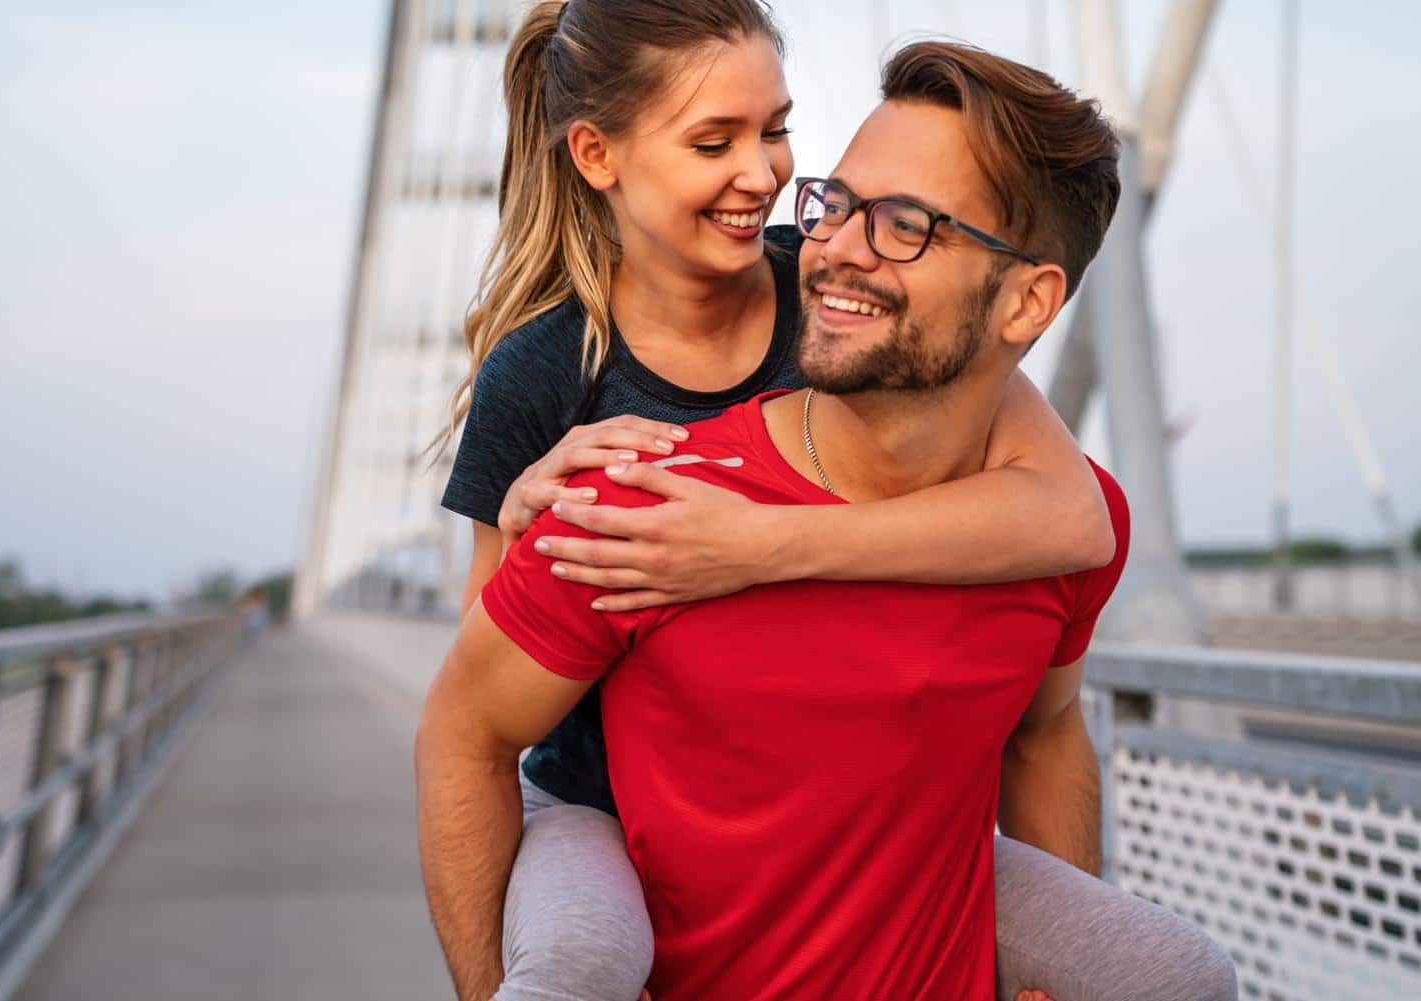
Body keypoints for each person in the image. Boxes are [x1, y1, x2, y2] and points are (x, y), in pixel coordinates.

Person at [425, 3, 1236, 999]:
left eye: (775, 133)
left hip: (874, 837)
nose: (772, 183)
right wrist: (528, 526)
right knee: (576, 963)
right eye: (838, 204)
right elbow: (474, 703)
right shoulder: (574, 411)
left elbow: (1071, 529)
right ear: (598, 156)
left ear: (1027, 302)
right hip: (591, 794)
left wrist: (759, 543)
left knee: (1179, 973)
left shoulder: (813, 288)